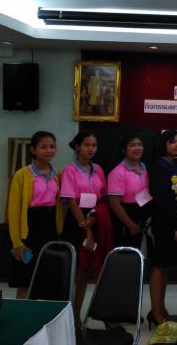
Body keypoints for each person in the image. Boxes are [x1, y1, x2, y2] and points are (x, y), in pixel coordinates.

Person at [60, 131, 112, 326]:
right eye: (87, 145)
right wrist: (86, 228)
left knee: (86, 269)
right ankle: (66, 315)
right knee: (73, 269)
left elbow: (103, 197)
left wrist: (94, 217)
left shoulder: (98, 169)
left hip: (94, 217)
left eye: (94, 145)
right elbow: (70, 201)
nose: (91, 149)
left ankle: (77, 314)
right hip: (77, 221)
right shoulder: (69, 170)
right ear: (77, 147)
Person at [7, 131, 64, 299]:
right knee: (25, 278)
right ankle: (22, 313)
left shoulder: (57, 175)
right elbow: (13, 211)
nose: (49, 150)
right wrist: (17, 242)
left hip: (50, 230)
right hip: (29, 232)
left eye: (52, 146)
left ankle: (42, 312)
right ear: (33, 150)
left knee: (47, 277)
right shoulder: (22, 175)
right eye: (43, 147)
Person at [147, 129, 177, 326]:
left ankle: (161, 307)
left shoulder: (174, 165)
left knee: (165, 267)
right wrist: (176, 225)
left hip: (173, 219)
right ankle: (155, 311)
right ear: (164, 144)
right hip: (163, 222)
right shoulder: (158, 166)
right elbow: (162, 197)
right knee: (159, 267)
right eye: (172, 142)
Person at [107, 134, 152, 249]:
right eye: (132, 145)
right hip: (126, 220)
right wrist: (131, 226)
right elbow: (114, 203)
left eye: (139, 145)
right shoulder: (117, 172)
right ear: (124, 150)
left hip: (143, 218)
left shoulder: (145, 168)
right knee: (127, 255)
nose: (137, 148)